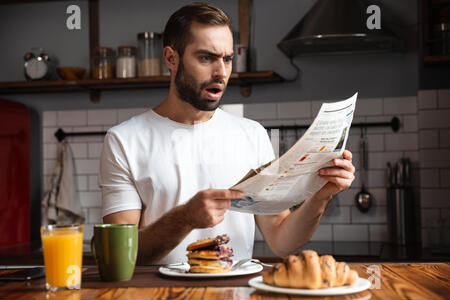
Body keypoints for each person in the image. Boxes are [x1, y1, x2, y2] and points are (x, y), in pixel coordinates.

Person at [98, 2, 355, 265]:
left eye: (227, 59)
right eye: (206, 58)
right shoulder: (124, 141)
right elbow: (120, 256)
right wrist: (185, 218)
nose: (221, 72)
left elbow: (282, 241)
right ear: (171, 58)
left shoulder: (252, 134)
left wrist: (320, 197)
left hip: (237, 299)